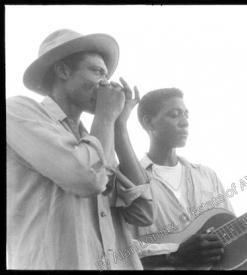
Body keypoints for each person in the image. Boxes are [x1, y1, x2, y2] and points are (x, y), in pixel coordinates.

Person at [6, 29, 153, 270]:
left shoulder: (94, 138)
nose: (107, 83)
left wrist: (119, 127)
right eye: (97, 71)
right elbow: (88, 179)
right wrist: (105, 116)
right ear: (63, 71)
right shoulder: (18, 111)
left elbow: (144, 214)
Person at [119, 88, 247, 269]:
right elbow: (116, 249)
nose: (184, 121)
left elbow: (235, 246)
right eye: (174, 114)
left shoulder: (207, 176)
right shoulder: (128, 180)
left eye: (186, 114)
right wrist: (173, 255)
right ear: (149, 123)